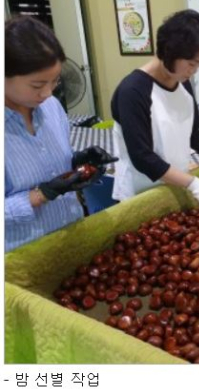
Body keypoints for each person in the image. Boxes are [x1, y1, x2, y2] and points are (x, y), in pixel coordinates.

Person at [111, 9, 199, 205]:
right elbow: (142, 157)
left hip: (175, 185)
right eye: (191, 64)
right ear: (169, 52)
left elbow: (193, 135)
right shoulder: (133, 91)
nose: (194, 71)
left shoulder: (182, 83)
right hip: (140, 193)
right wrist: (193, 183)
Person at [5, 16, 117, 252]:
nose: (47, 93)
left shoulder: (51, 107)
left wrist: (76, 161)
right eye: (37, 85)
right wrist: (41, 195)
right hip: (22, 253)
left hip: (71, 234)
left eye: (55, 81)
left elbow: (49, 161)